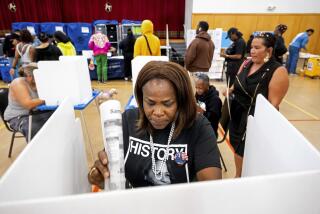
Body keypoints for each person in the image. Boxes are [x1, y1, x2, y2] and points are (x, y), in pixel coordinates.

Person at [88, 61, 222, 189]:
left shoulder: (198, 126)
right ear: (141, 99)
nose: (158, 112)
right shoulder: (128, 120)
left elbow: (211, 188)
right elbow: (107, 170)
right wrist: (100, 175)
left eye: (167, 104)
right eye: (150, 103)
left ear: (180, 101)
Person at [225, 32, 289, 178]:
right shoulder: (247, 63)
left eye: (257, 47)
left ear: (269, 51)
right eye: (251, 47)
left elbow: (273, 105)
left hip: (255, 119)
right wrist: (229, 90)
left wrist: (261, 126)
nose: (252, 50)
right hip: (237, 113)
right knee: (237, 147)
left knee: (244, 150)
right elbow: (237, 84)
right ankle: (240, 174)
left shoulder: (277, 71)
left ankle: (240, 177)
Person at [4, 63, 53, 140]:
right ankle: (39, 149)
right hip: (18, 116)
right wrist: (50, 97)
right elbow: (28, 104)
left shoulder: (39, 81)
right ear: (29, 76)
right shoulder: (18, 83)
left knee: (60, 117)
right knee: (34, 128)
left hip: (36, 112)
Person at [195, 73, 222, 137]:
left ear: (207, 86)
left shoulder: (215, 100)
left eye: (200, 88)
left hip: (209, 131)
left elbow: (213, 119)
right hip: (199, 125)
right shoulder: (199, 94)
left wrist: (202, 112)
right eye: (196, 87)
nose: (197, 90)